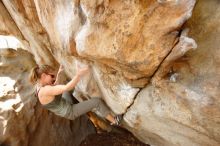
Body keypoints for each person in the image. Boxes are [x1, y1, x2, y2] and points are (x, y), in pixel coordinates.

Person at [29, 64, 121, 125]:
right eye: (51, 76)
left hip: (65, 102)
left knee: (67, 87)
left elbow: (55, 87)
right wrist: (79, 74)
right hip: (70, 111)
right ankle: (115, 121)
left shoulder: (39, 85)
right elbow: (66, 88)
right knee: (97, 102)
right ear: (43, 76)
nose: (53, 78)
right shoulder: (45, 90)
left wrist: (59, 73)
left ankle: (80, 98)